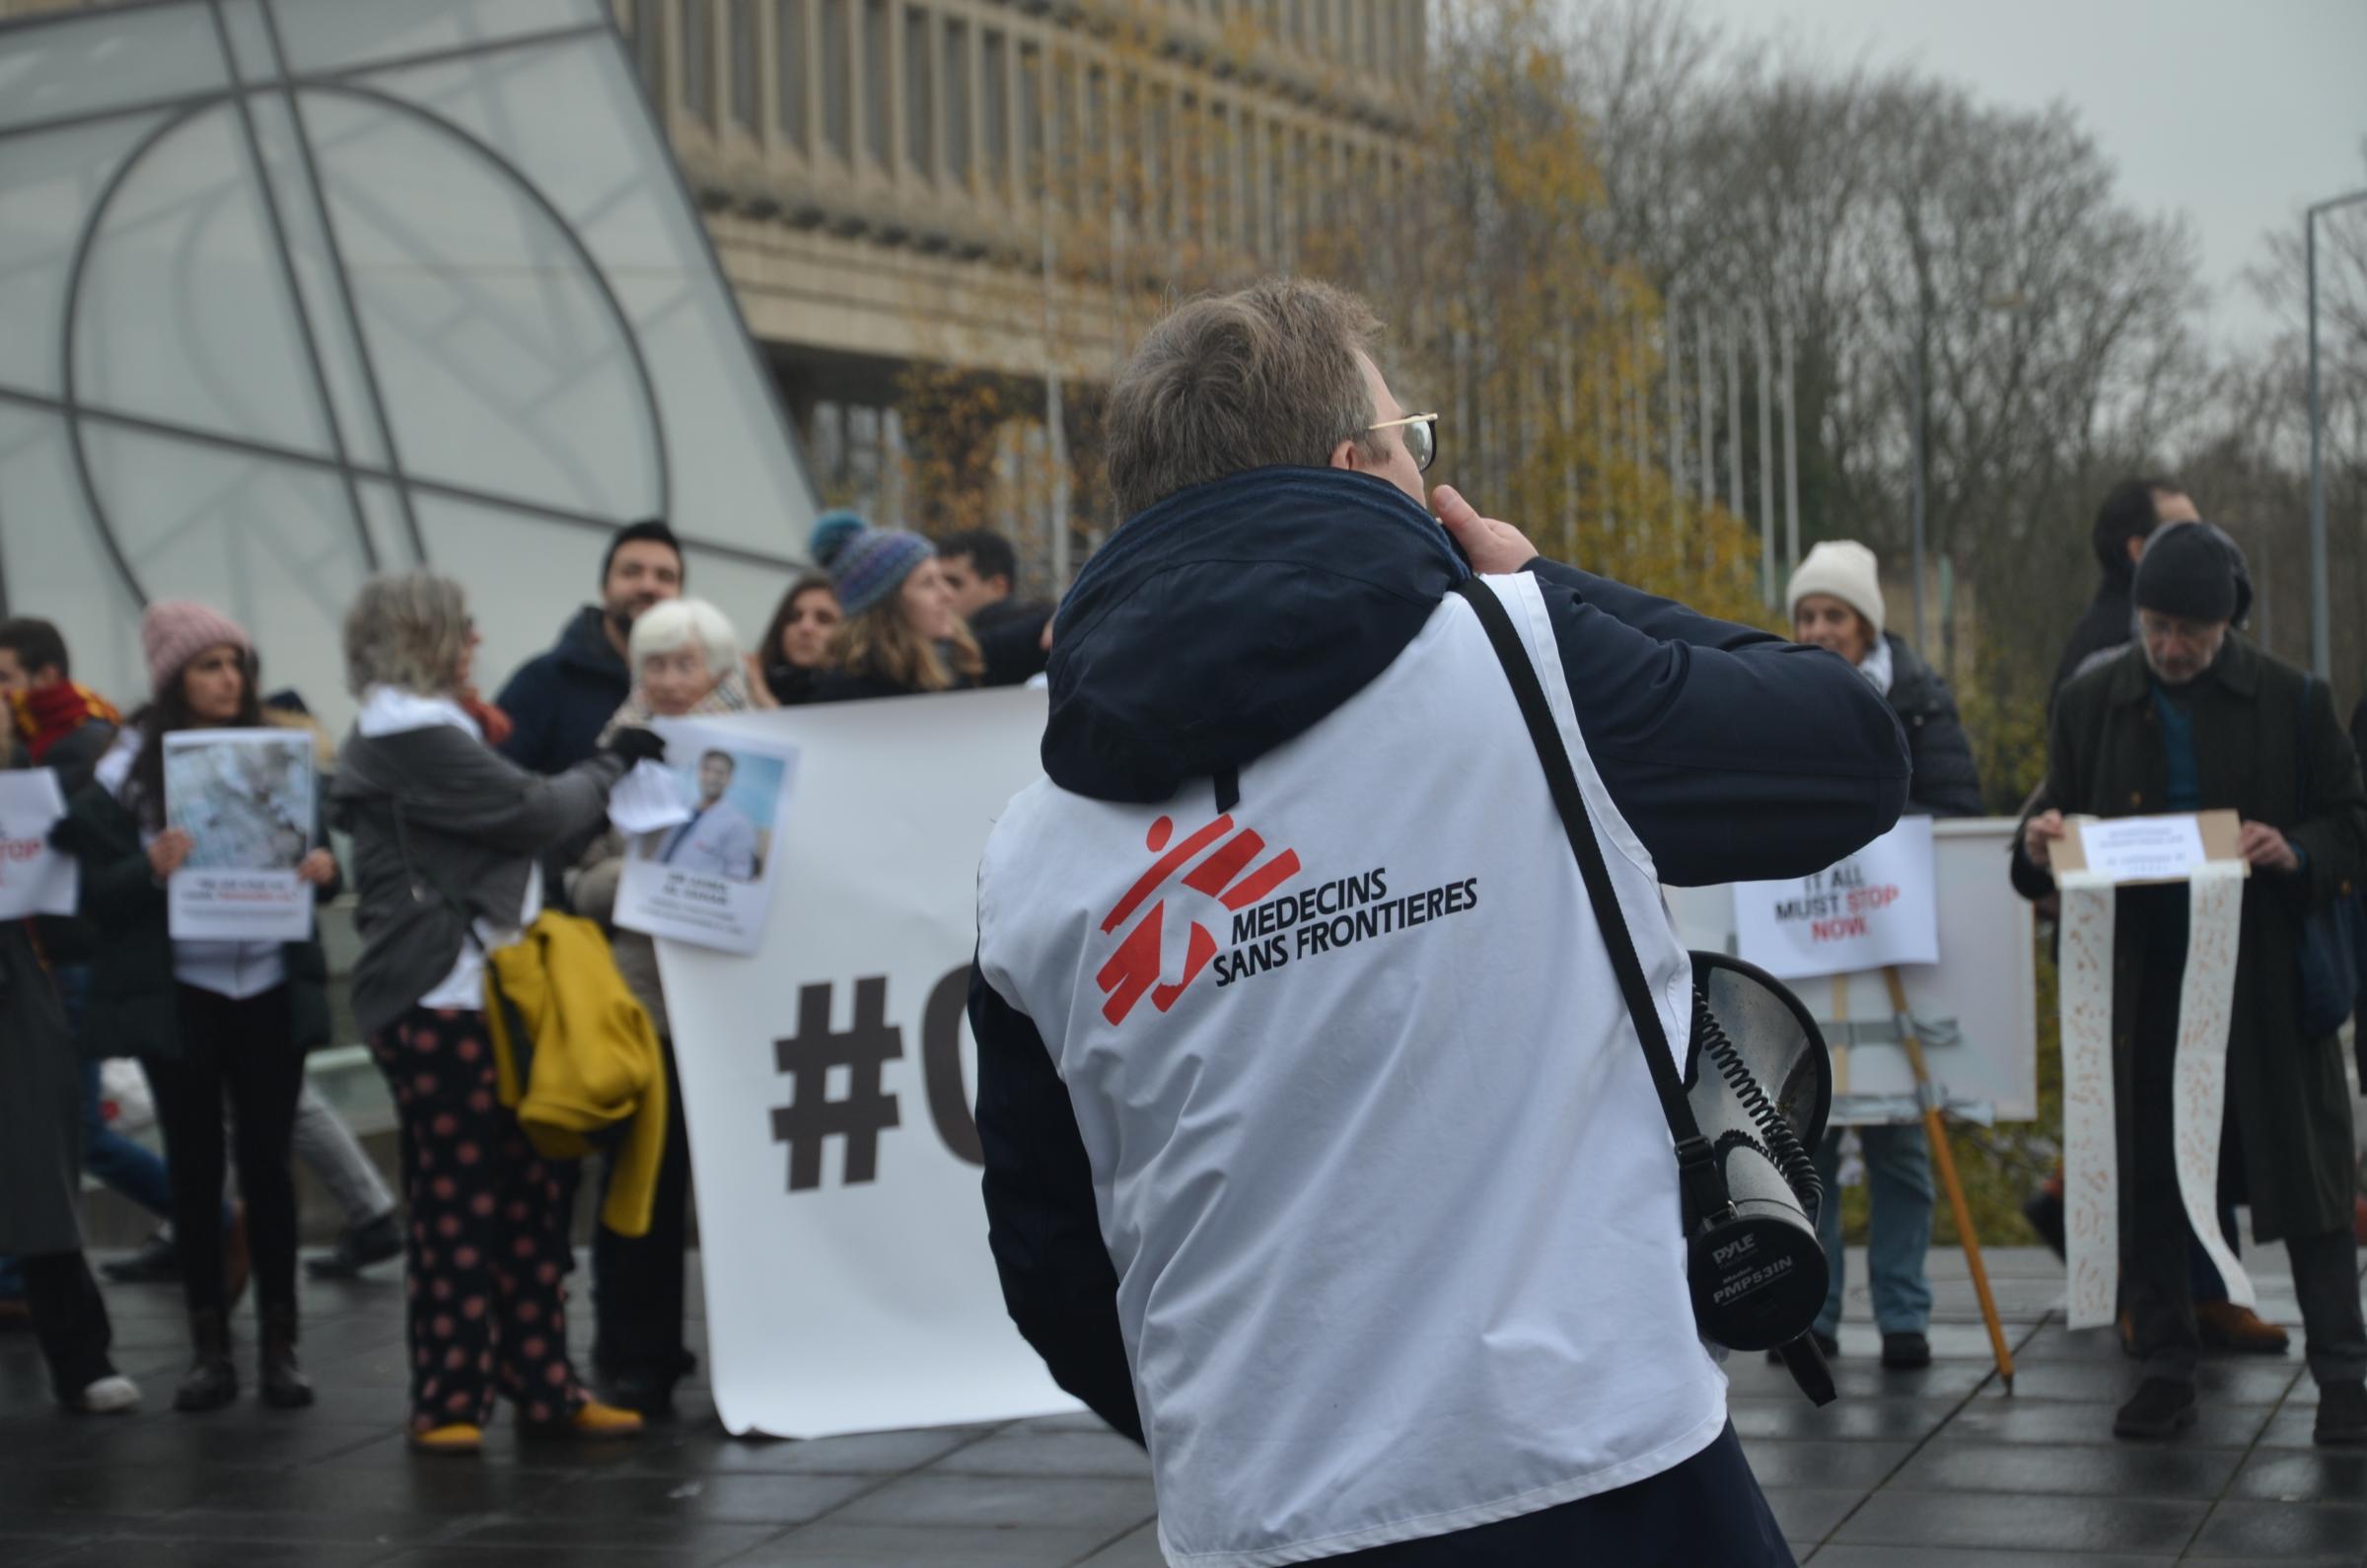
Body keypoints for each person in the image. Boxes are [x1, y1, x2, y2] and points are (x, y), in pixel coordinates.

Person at [970, 279, 1909, 1565]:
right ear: (1363, 466)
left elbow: (1054, 1266)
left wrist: (1261, 1427)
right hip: (1610, 1470)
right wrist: (1535, 584)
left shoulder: (1030, 846)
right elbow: (1852, 749)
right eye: (1415, 440)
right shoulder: (1520, 661)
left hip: (1266, 1515)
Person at [2013, 522, 2367, 1445]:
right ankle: (2165, 1366)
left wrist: (2294, 849)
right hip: (2139, 986)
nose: (2170, 648)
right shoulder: (2090, 703)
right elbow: (2052, 818)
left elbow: (2350, 822)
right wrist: (2036, 843)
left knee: (2311, 1183)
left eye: (2190, 632)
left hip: (2268, 985)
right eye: (2155, 626)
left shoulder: (2295, 701)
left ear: (2228, 627)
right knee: (2150, 1181)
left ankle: (2344, 1379)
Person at [331, 571, 653, 1454]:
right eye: (461, 626)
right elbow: (530, 811)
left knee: (530, 1191)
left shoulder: (421, 728)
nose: (475, 640)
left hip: (480, 992)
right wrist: (615, 758)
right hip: (440, 994)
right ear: (423, 637)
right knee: (460, 1201)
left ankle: (537, 1382)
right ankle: (450, 1397)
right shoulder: (411, 732)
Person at [51, 603, 341, 1413]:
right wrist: (148, 866)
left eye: (236, 663)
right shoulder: (127, 767)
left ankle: (281, 1348)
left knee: (268, 1167)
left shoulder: (279, 752)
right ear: (173, 675)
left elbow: (326, 864)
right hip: (182, 992)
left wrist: (325, 870)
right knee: (193, 1167)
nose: (228, 679)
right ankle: (210, 1349)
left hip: (270, 987)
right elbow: (90, 893)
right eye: (209, 664)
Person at [1783, 541, 1982, 1372]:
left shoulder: (1923, 703)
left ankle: (1903, 1313)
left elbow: (1959, 806)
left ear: (1867, 625)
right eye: (1807, 616)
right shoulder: (1772, 693)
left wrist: (1876, 848)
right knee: (1811, 1134)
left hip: (1897, 940)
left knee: (1902, 1136)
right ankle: (1815, 1311)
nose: (1821, 630)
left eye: (1835, 616)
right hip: (1808, 938)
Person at [569, 597, 763, 1416]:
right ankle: (633, 1357)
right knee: (640, 1185)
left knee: (744, 1195)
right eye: (654, 664)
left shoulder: (766, 755)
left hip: (740, 1006)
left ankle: (761, 1360)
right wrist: (644, 882)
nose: (669, 681)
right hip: (644, 1006)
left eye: (684, 664)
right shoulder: (614, 754)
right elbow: (579, 878)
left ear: (719, 672)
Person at [0, 715, 138, 1413]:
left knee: (38, 1172)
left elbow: (71, 910)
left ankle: (81, 1355)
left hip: (18, 987)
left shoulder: (29, 792)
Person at [496, 519, 684, 775]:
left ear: (681, 595)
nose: (648, 586)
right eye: (631, 572)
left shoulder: (702, 700)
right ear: (604, 589)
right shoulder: (543, 681)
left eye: (665, 576)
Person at [805, 514, 1048, 702]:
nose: (948, 595)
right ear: (887, 609)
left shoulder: (964, 660)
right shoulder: (842, 695)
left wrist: (1068, 613)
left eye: (944, 580)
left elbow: (1039, 634)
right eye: (928, 583)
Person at [2053, 476, 2199, 700]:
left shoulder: (2101, 631)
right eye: (2186, 536)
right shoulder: (2116, 652)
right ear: (2139, 551)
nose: (2204, 547)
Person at [936, 527, 1053, 639]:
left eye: (953, 583)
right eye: (933, 584)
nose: (944, 593)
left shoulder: (1037, 636)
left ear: (998, 587)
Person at [757, 572, 842, 705]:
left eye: (823, 619)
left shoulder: (855, 697)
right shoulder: (752, 675)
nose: (805, 628)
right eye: (795, 616)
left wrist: (759, 692)